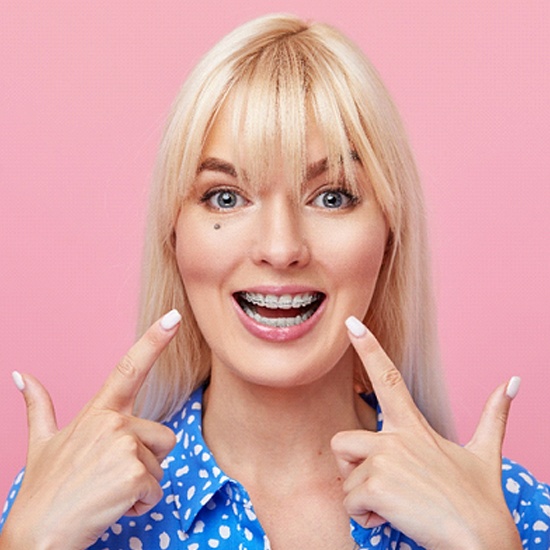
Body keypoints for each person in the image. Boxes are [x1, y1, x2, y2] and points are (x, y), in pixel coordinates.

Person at [0, 13, 548, 550]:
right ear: (175, 238)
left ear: (389, 236)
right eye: (226, 197)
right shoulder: (62, 509)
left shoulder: (509, 511)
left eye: (332, 197)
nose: (281, 249)